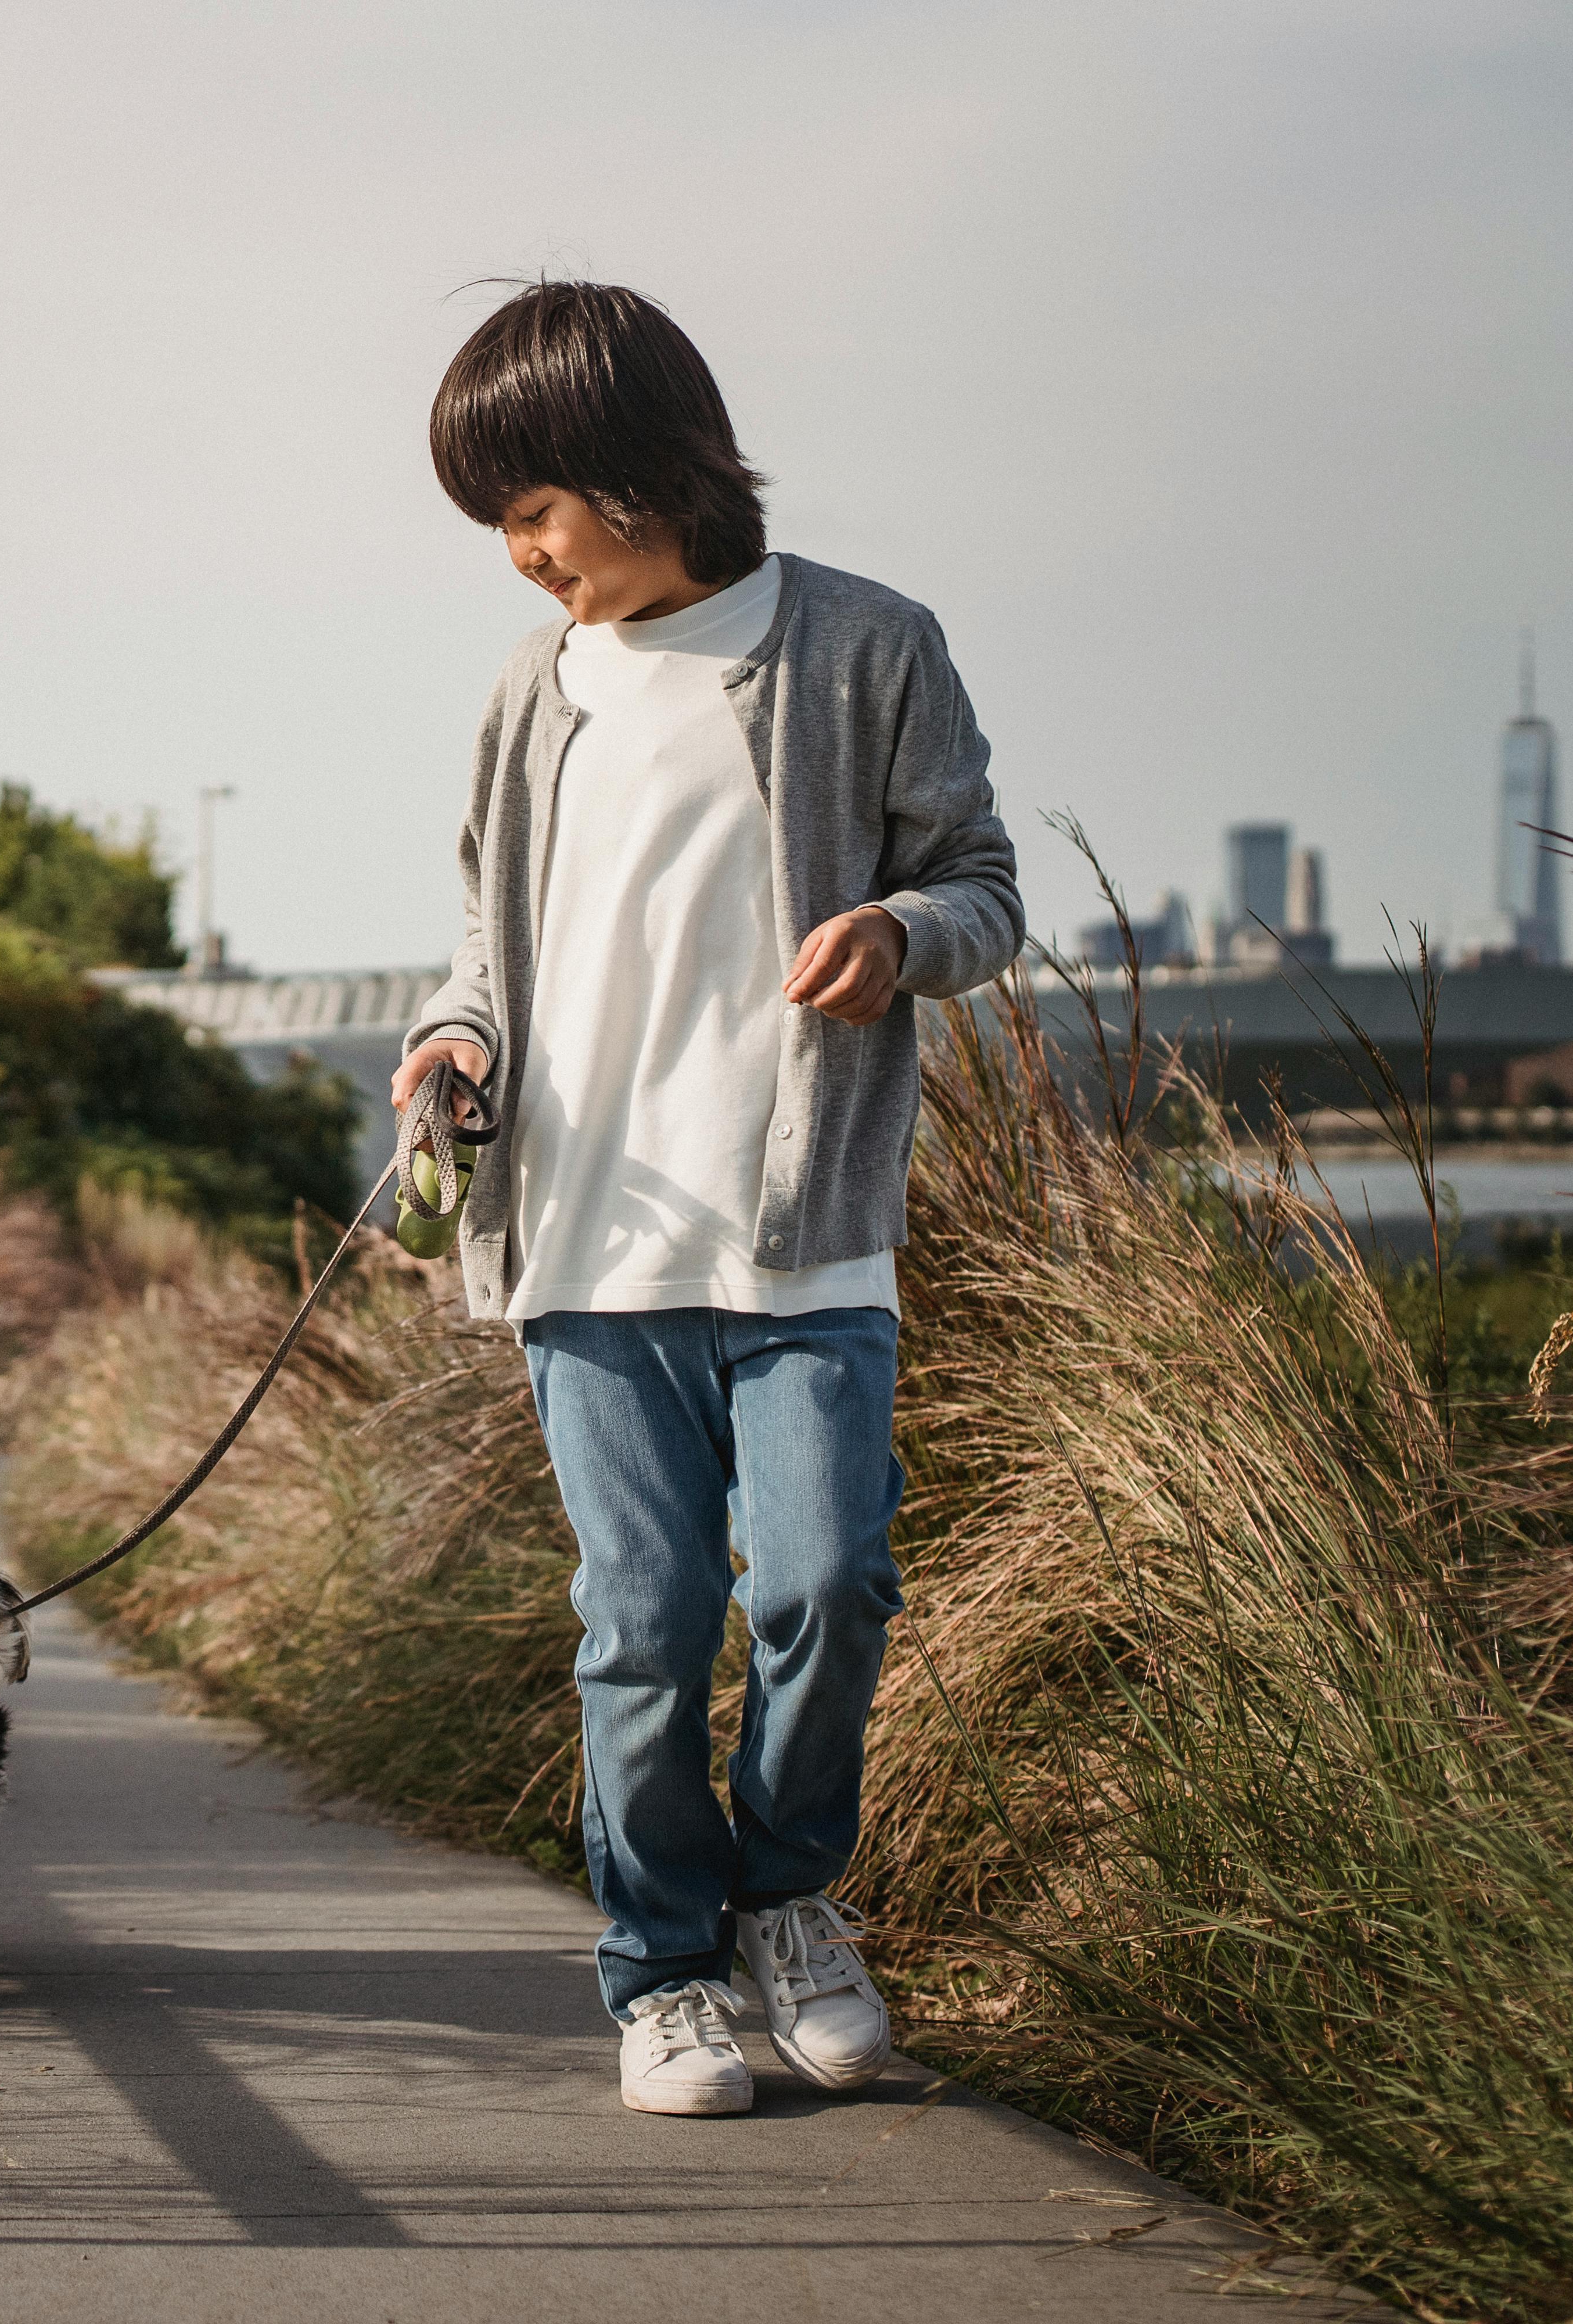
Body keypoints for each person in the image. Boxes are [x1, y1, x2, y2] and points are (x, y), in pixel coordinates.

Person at [393, 282, 1021, 2117]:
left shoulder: (864, 645)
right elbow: (481, 949)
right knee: (646, 1628)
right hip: (585, 1241)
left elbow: (980, 878)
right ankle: (663, 1972)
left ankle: (792, 1906)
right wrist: (450, 1045)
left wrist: (905, 933)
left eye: (529, 514)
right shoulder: (535, 694)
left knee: (828, 1588)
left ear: (631, 471)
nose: (519, 560)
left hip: (806, 1232)